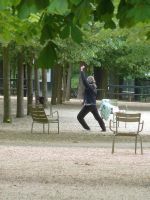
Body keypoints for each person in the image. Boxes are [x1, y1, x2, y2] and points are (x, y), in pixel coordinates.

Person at [77, 65, 106, 132]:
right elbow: (87, 94)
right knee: (97, 117)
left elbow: (84, 80)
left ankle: (87, 128)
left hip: (89, 105)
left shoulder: (89, 87)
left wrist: (81, 70)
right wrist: (84, 101)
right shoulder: (94, 87)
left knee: (79, 117)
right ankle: (104, 128)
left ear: (89, 81)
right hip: (93, 105)